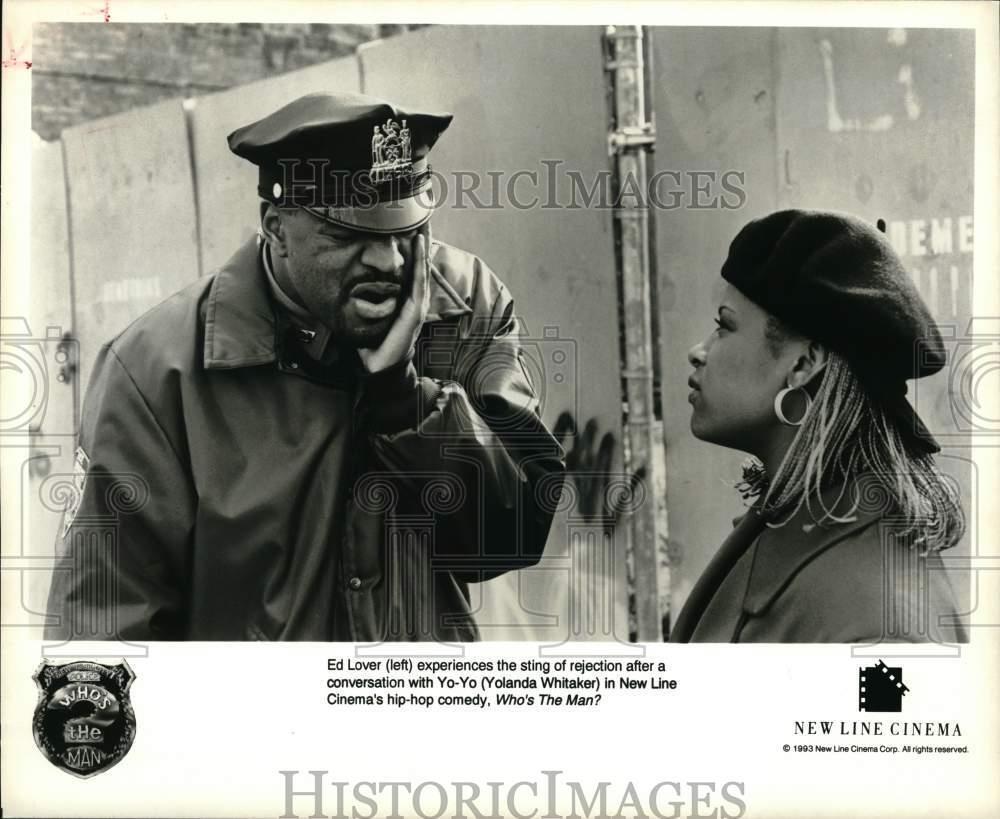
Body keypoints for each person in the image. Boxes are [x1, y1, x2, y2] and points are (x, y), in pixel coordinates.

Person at [45, 92, 565, 642]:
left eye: (404, 230)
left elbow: (512, 536)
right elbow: (103, 629)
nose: (388, 262)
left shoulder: (462, 305)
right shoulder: (156, 371)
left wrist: (405, 402)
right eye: (348, 235)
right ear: (274, 226)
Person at [670, 209, 966, 643]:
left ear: (803, 364)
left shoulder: (879, 625)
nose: (699, 351)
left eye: (724, 327)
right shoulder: (792, 519)